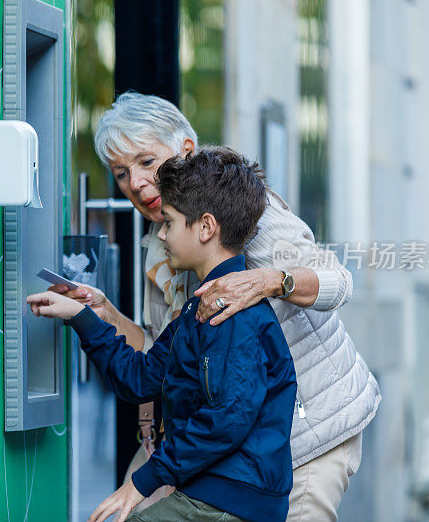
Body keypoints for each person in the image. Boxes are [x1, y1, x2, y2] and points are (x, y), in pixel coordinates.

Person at [50, 92, 381, 521]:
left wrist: (267, 281)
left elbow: (339, 282)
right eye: (120, 173)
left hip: (309, 430)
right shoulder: (164, 242)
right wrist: (101, 313)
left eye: (146, 162)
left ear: (186, 151)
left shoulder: (244, 213)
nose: (134, 183)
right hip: (219, 444)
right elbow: (158, 357)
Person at [28, 147, 297, 522]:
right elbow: (140, 379)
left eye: (168, 222)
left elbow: (229, 417)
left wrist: (141, 483)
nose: (163, 235)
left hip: (229, 499)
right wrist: (82, 317)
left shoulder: (234, 314)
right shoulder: (197, 308)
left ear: (205, 227)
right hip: (209, 492)